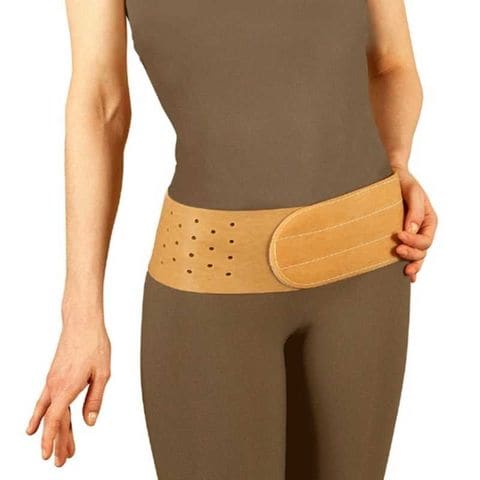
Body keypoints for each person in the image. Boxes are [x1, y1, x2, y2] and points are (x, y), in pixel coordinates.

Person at [25, 0, 437, 478]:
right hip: (213, 284)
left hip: (366, 265)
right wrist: (80, 317)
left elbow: (392, 64)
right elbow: (101, 106)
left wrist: (397, 164)